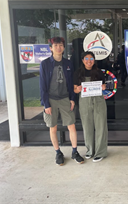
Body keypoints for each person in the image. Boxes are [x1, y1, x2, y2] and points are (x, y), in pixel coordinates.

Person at [40, 37, 84, 166]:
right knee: (53, 128)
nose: (58, 48)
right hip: (51, 99)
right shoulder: (45, 64)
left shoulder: (68, 63)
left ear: (64, 48)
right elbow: (42, 86)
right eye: (56, 45)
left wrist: (72, 98)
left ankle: (74, 151)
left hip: (65, 98)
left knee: (71, 126)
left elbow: (71, 83)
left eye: (61, 45)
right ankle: (58, 152)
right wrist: (46, 104)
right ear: (51, 48)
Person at [73, 51, 108, 162]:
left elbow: (105, 85)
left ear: (94, 60)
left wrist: (103, 87)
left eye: (91, 59)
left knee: (101, 126)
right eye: (86, 59)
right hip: (84, 102)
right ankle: (90, 151)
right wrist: (77, 89)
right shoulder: (78, 73)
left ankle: (100, 152)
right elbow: (74, 89)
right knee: (87, 127)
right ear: (83, 60)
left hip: (98, 101)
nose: (89, 61)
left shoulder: (99, 72)